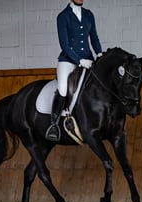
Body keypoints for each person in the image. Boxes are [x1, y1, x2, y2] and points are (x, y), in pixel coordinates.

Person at [45, 0, 103, 142]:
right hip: (68, 60)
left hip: (89, 60)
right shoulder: (63, 16)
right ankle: (54, 125)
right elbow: (64, 45)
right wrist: (79, 61)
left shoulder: (89, 14)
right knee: (63, 89)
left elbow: (94, 37)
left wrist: (100, 54)